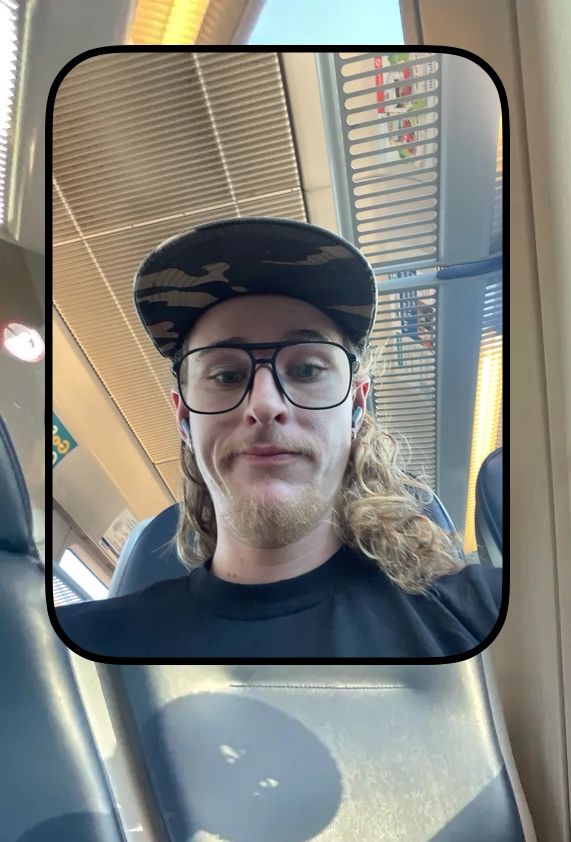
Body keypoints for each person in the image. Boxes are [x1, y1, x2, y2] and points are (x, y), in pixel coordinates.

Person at [50, 217, 501, 663]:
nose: (265, 405)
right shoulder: (72, 655)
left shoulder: (484, 618)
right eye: (227, 375)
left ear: (356, 407)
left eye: (305, 370)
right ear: (184, 418)